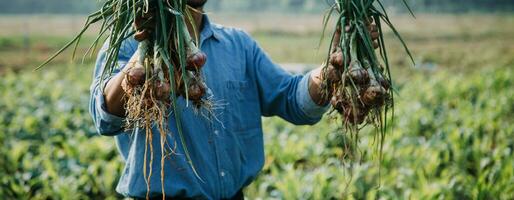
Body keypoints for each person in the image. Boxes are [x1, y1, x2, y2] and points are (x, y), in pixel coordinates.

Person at [89, 0, 379, 199]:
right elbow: (104, 116)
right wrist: (138, 66)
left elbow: (292, 98)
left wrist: (331, 71)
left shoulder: (238, 45)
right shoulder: (130, 44)